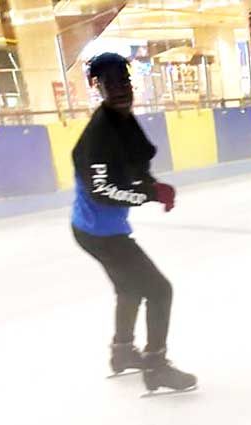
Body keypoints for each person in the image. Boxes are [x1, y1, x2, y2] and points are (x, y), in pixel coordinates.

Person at [71, 52, 196, 394]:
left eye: (123, 81)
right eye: (110, 84)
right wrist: (150, 194)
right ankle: (155, 366)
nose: (120, 89)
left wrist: (151, 185)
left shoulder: (124, 119)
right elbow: (103, 191)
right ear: (98, 87)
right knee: (159, 290)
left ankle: (122, 353)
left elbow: (139, 162)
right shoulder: (98, 135)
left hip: (99, 228)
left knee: (129, 289)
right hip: (98, 232)